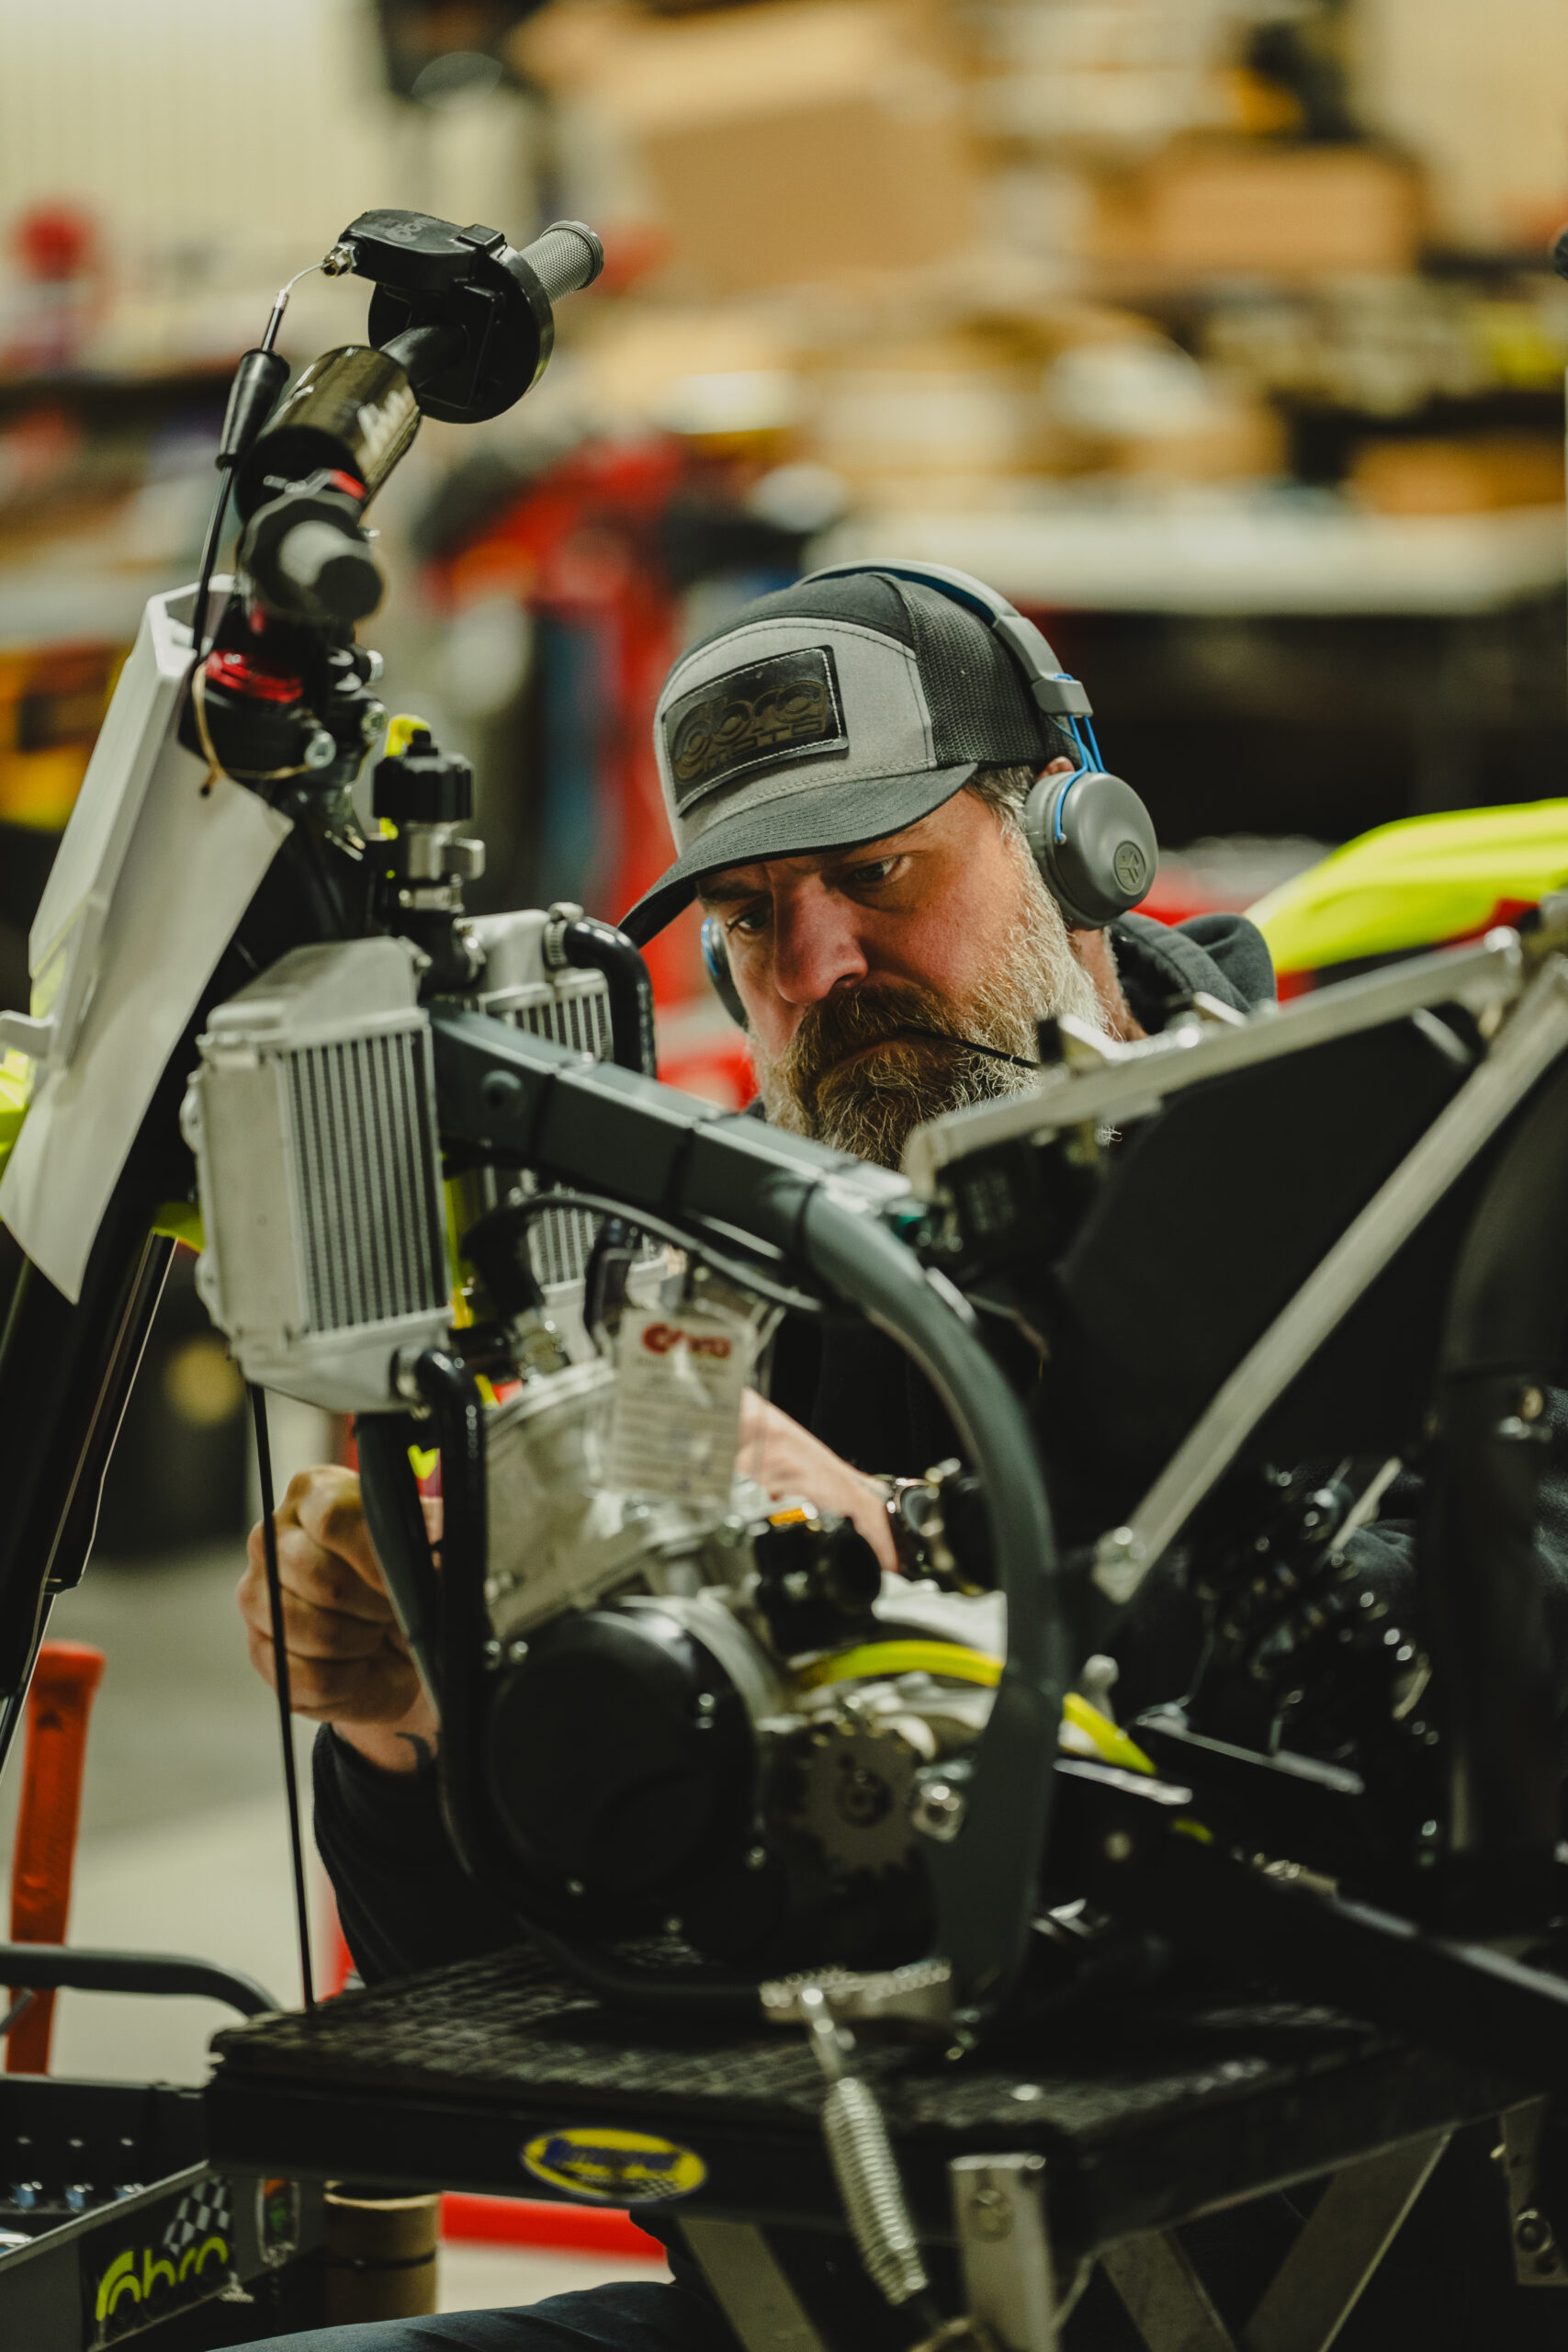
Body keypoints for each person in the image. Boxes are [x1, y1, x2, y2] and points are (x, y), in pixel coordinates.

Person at [233, 570, 1537, 2349]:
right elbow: (538, 2003)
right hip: (857, 2291)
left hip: (1332, 2280)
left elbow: (1457, 1711)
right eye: (752, 914)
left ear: (1079, 842)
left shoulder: (1396, 1178)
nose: (819, 967)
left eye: (878, 872)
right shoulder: (724, 1317)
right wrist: (427, 1725)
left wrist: (911, 1577)